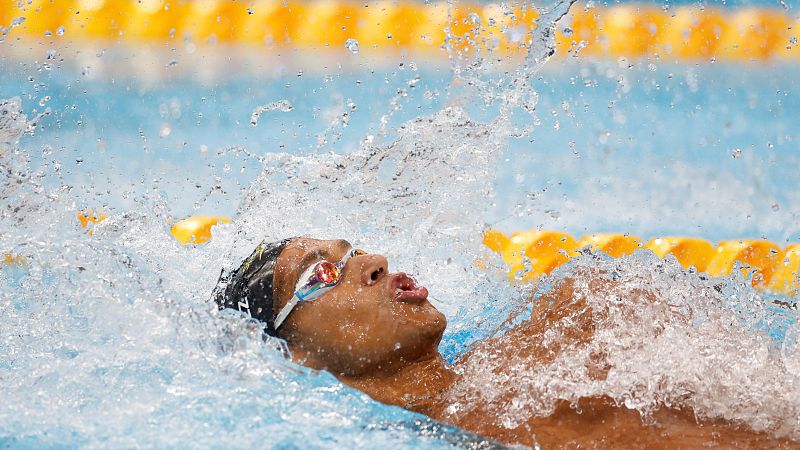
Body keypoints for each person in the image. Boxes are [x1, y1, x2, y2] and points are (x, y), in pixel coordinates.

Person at [213, 237, 797, 448]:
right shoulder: (480, 431)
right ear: (294, 358)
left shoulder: (565, 309)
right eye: (322, 274)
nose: (374, 261)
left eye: (354, 250)